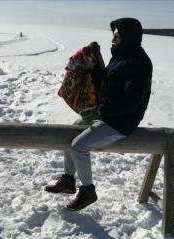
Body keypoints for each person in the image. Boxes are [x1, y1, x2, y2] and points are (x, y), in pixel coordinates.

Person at [45, 18, 152, 211]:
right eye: (113, 37)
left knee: (79, 146)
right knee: (73, 129)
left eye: (117, 37)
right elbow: (108, 83)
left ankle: (88, 191)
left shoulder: (140, 64)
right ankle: (69, 180)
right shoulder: (120, 56)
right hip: (108, 114)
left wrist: (99, 111)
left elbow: (130, 102)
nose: (113, 40)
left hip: (122, 122)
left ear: (128, 38)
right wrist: (93, 68)